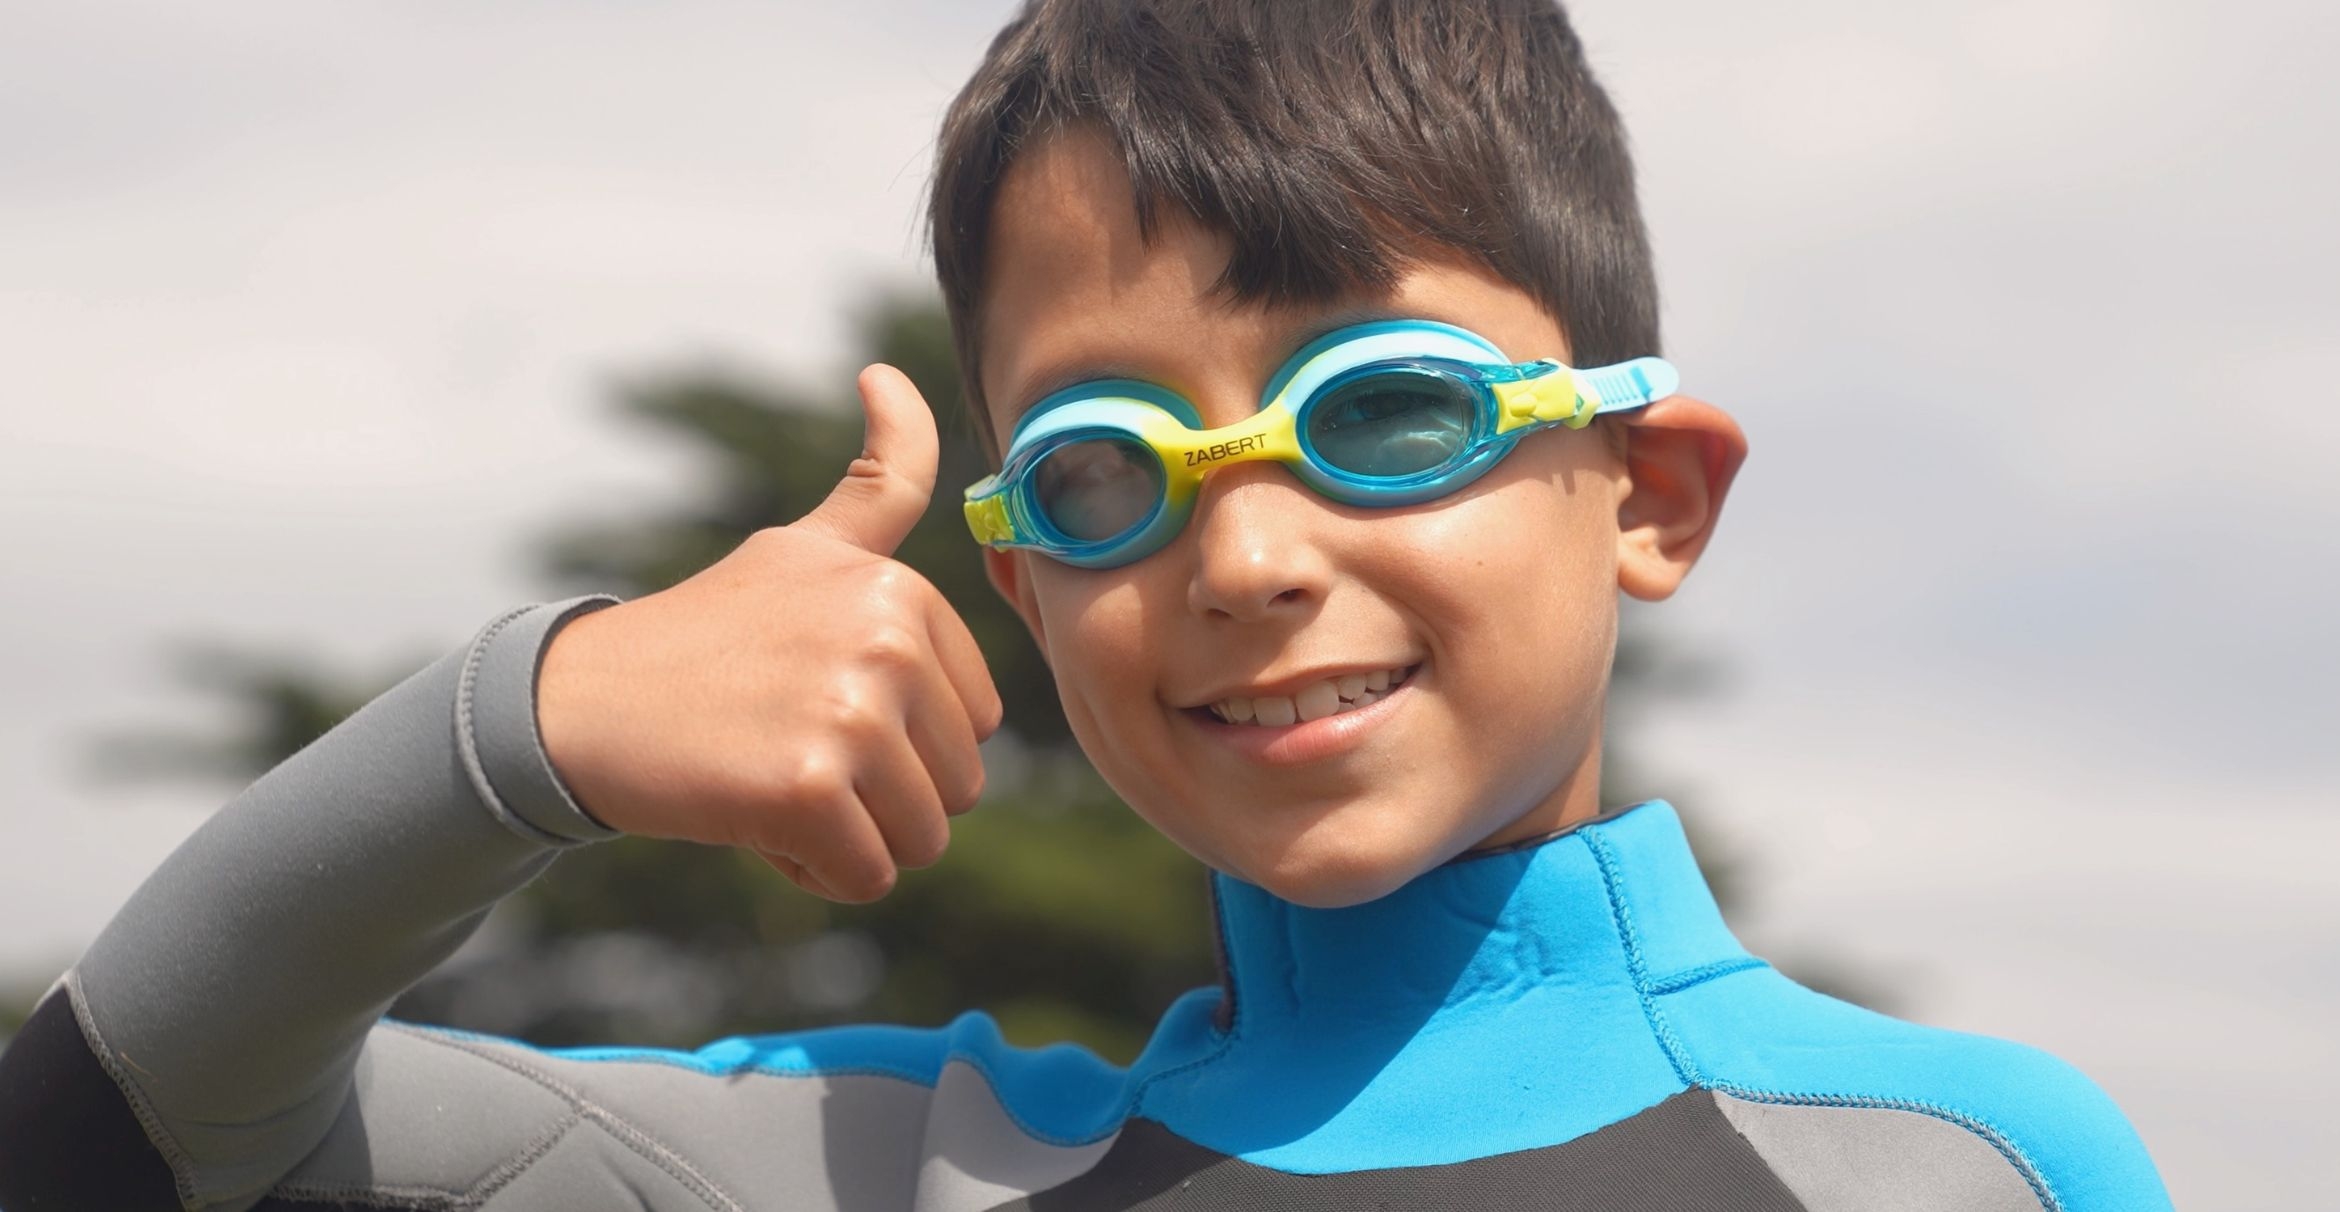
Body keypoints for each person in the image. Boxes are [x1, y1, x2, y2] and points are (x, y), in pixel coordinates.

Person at [0, 1, 2174, 1209]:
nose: (1239, 559)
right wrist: (534, 725)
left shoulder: (1962, 1165)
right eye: (1113, 473)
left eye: (1386, 411)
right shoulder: (886, 1171)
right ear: (1028, 593)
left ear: (1649, 491)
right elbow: (119, 1129)